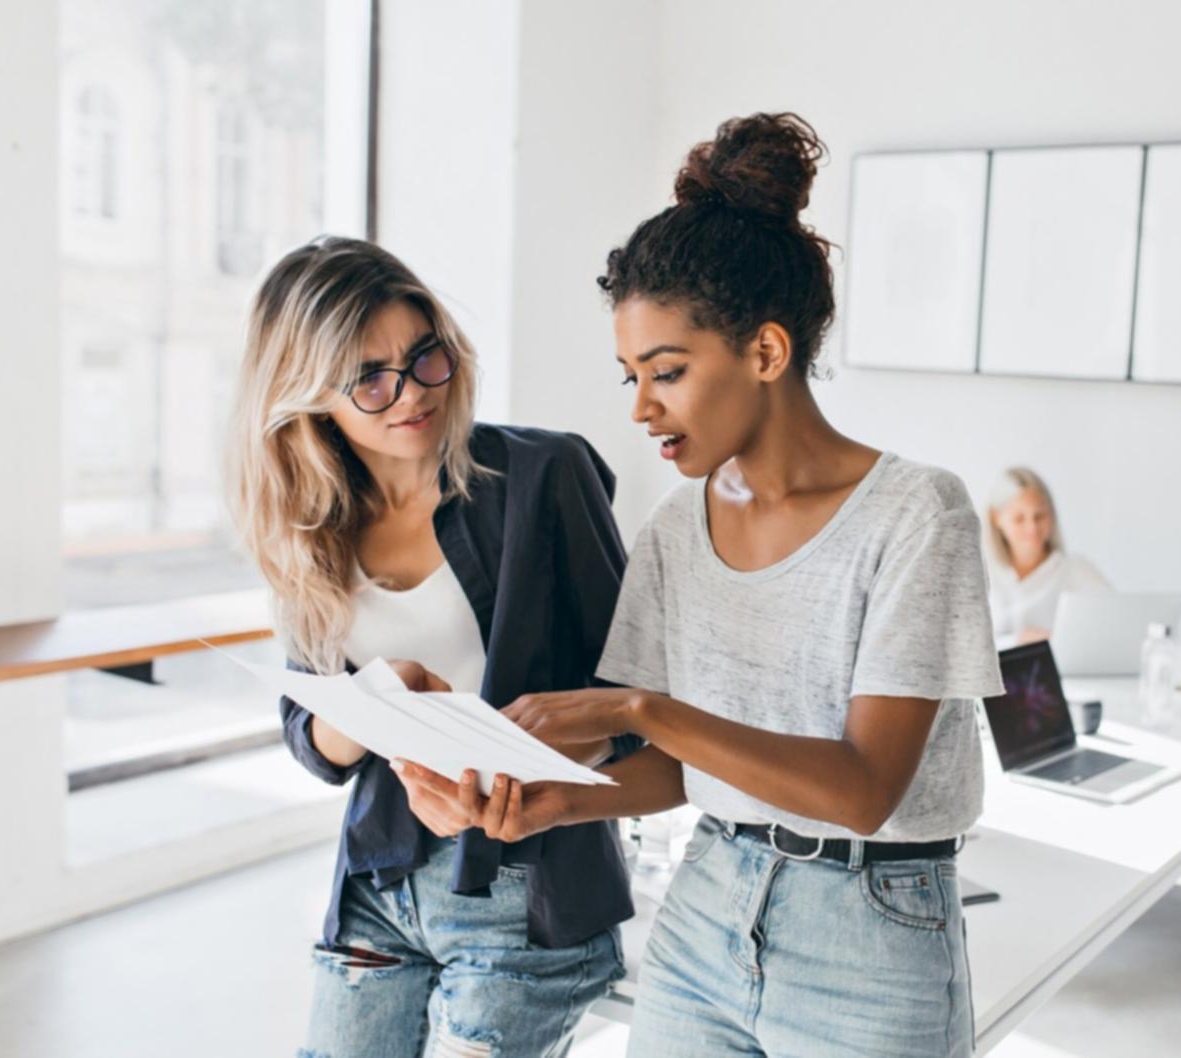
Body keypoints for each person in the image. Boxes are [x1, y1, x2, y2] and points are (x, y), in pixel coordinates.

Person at [396, 112, 1004, 1057]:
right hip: (707, 905)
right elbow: (682, 769)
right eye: (630, 375)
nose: (640, 408)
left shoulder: (918, 516)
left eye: (667, 372)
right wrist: (559, 802)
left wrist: (633, 704)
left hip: (873, 931)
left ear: (766, 353)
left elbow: (863, 790)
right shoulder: (676, 530)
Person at [226, 236, 635, 1057]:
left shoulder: (542, 476)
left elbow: (634, 703)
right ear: (308, 397)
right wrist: (372, 703)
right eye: (369, 380)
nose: (410, 394)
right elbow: (316, 743)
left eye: (424, 358)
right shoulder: (309, 526)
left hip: (523, 885)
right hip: (379, 884)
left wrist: (512, 762)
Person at [983, 466, 1111, 649]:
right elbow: (961, 648)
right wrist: (1018, 641)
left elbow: (1115, 623)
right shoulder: (978, 573)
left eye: (1039, 516)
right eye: (1019, 518)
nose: (1032, 528)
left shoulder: (1075, 570)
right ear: (996, 518)